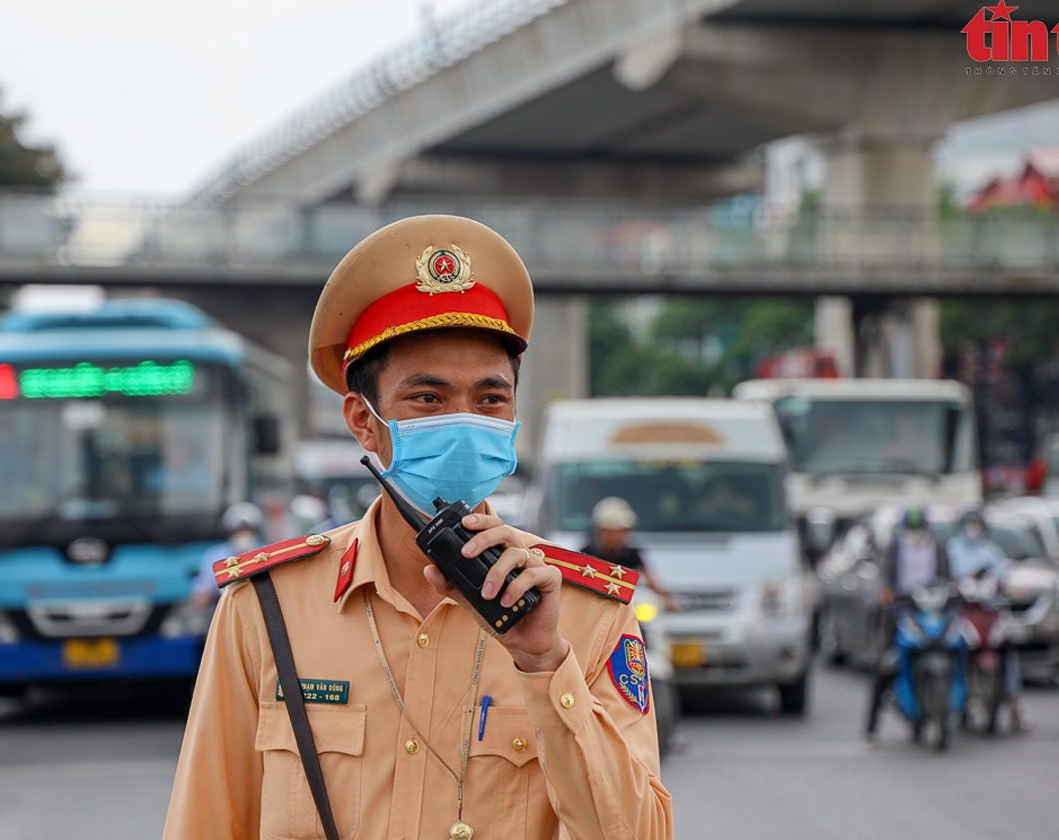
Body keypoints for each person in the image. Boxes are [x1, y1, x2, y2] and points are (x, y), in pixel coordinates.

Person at [163, 216, 672, 840]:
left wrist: (544, 663)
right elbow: (207, 823)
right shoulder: (265, 608)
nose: (464, 422)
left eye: (491, 400)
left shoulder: (586, 614)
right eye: (427, 399)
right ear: (363, 420)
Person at [864, 505, 951, 742]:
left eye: (919, 528)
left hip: (932, 613)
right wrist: (885, 593)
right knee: (885, 666)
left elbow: (949, 578)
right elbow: (882, 577)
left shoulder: (939, 547)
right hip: (901, 613)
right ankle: (871, 728)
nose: (915, 533)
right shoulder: (894, 548)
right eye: (911, 528)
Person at [945, 510, 1028, 731]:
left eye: (977, 524)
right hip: (962, 612)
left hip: (990, 612)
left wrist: (1011, 588)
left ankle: (1015, 707)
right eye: (969, 523)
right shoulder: (951, 550)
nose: (973, 528)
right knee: (951, 650)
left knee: (1007, 650)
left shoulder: (991, 551)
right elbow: (944, 579)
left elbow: (1005, 579)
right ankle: (949, 703)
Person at [581, 497, 679, 611]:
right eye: (612, 531)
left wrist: (667, 597)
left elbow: (652, 582)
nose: (618, 537)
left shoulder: (631, 554)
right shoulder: (586, 554)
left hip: (623, 611)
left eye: (623, 531)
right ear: (601, 531)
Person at [189, 502, 266, 609]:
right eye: (238, 531)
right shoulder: (216, 555)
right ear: (229, 532)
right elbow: (202, 594)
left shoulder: (266, 553)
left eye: (248, 530)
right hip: (227, 614)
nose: (243, 535)